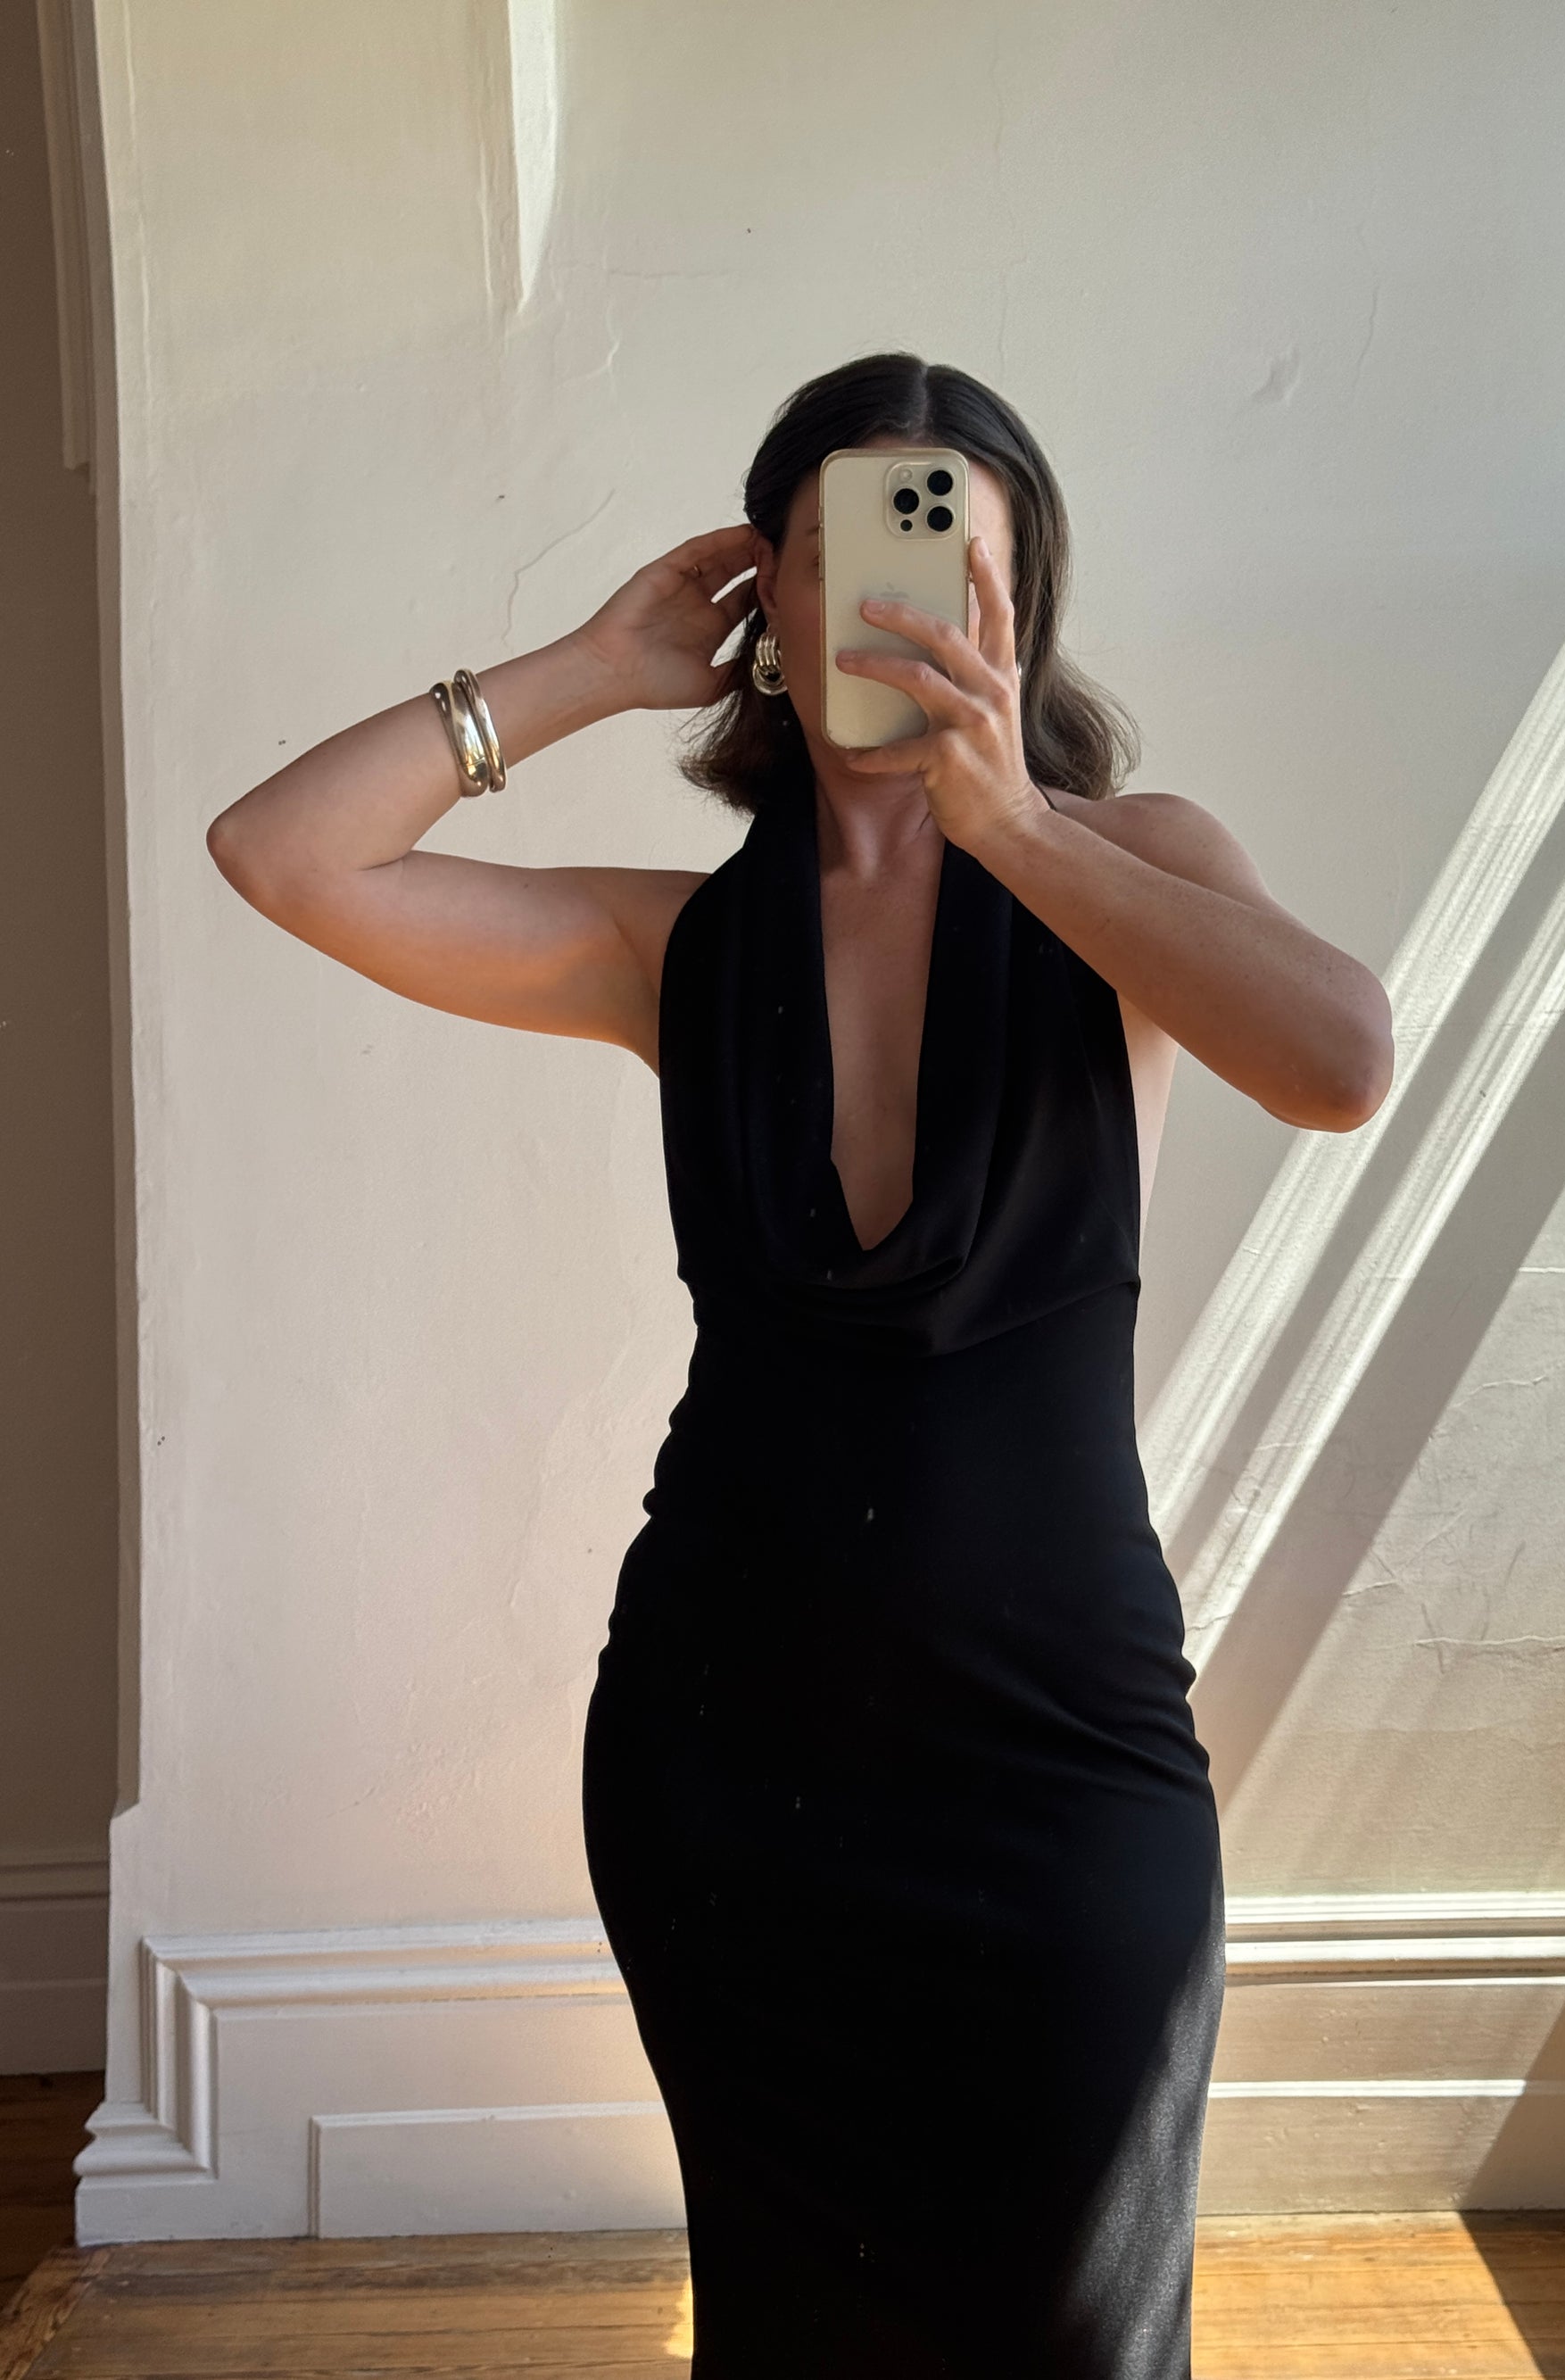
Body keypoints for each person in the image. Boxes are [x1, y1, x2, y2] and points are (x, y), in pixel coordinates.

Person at [207, 351, 1393, 2378]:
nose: (891, 599)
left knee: (1084, 2339)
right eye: (841, 549)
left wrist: (1011, 822)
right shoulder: (675, 947)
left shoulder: (1133, 867)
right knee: (788, 2336)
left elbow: (1340, 1062)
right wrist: (586, 671)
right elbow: (283, 855)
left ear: (1016, 604)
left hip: (1063, 1763)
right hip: (725, 1760)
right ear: (767, 593)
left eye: (946, 555)